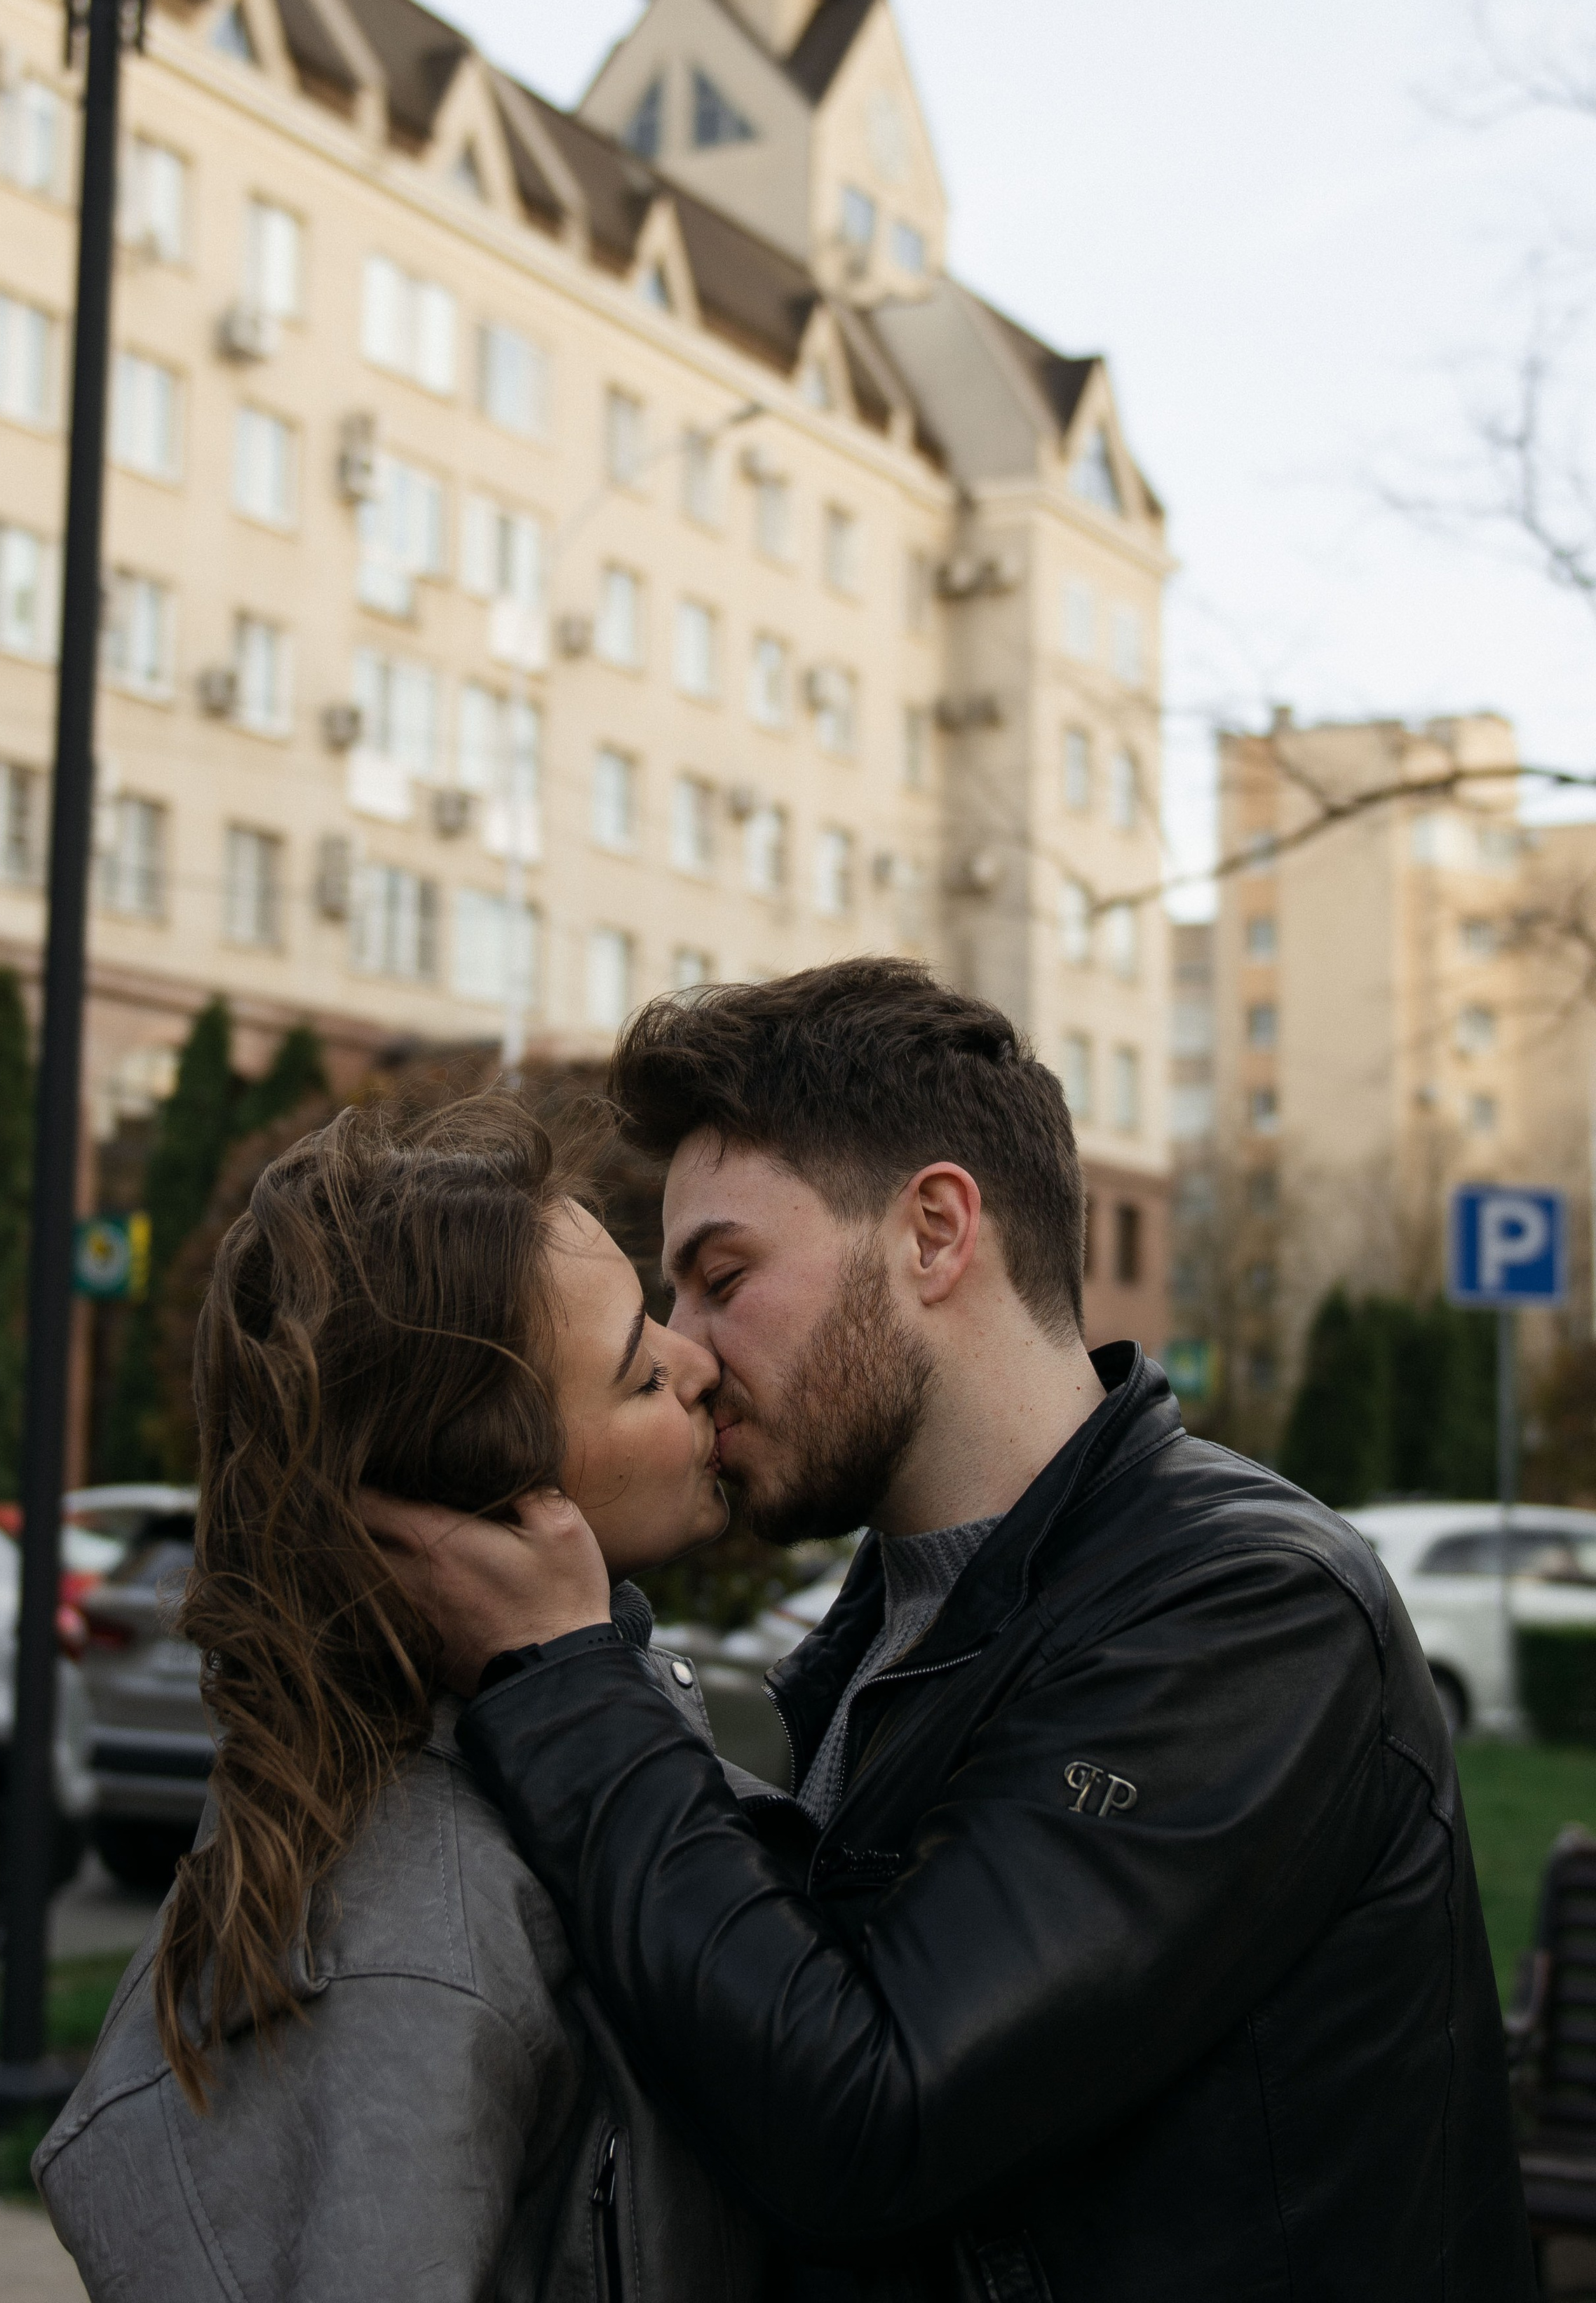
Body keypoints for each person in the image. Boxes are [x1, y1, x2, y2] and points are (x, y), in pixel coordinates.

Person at [365, 958, 1533, 2303]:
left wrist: (563, 1680)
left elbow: (869, 2123)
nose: (687, 1350)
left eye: (723, 1276)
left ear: (933, 1232)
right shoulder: (890, 1628)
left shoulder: (1254, 1613)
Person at [34, 1095, 766, 2303]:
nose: (699, 1362)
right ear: (489, 1508)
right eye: (640, 1374)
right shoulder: (412, 1947)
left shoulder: (533, 1790)